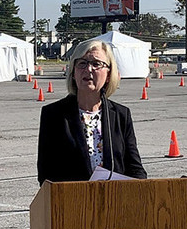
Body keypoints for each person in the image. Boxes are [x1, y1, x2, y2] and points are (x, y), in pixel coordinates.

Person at [37, 39, 147, 184]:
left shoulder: (121, 115)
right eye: (82, 63)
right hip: (72, 202)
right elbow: (46, 174)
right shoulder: (54, 114)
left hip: (114, 201)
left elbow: (135, 169)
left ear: (108, 74)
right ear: (73, 72)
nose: (88, 69)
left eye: (96, 64)